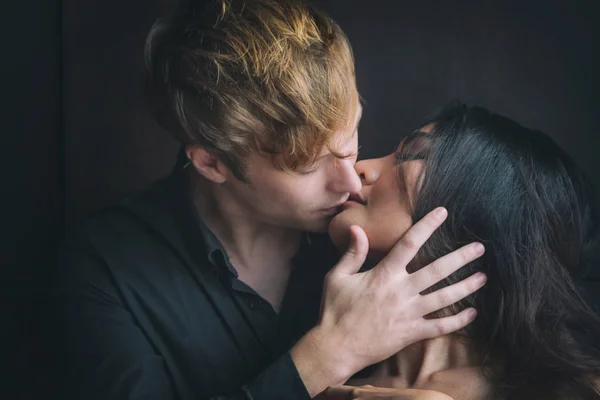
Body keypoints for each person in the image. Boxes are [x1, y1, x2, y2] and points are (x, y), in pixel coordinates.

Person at [50, 2, 486, 400]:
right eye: (309, 166)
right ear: (211, 163)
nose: (350, 180)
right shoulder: (102, 272)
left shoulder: (380, 235)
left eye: (350, 138)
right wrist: (330, 352)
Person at [323, 102, 600, 399]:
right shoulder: (311, 380)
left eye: (411, 155)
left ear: (486, 210)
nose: (359, 169)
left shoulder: (578, 391)